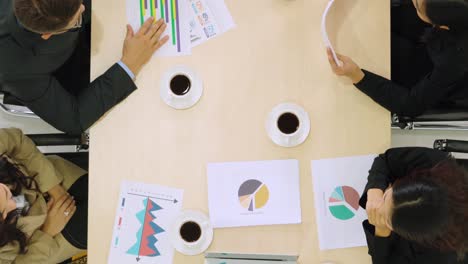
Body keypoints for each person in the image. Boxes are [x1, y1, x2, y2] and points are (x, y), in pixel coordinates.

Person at [0, 0, 169, 135]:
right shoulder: (15, 68)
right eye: (76, 18)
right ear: (47, 35)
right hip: (72, 69)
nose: (82, 7)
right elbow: (74, 119)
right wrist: (129, 64)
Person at [327, 0, 468, 117]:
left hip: (418, 75)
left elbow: (410, 106)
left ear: (441, 26)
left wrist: (358, 76)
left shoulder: (453, 63)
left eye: (417, 5)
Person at [360, 147, 468, 264]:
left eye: (388, 220)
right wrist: (375, 190)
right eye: (387, 196)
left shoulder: (439, 256)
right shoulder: (433, 163)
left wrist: (381, 230)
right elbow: (385, 160)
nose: (378, 208)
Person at [0, 128, 88, 263]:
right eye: (3, 213)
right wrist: (47, 233)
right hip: (44, 240)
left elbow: (17, 141)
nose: (16, 204)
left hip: (49, 179)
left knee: (114, 186)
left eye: (6, 193)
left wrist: (54, 188)